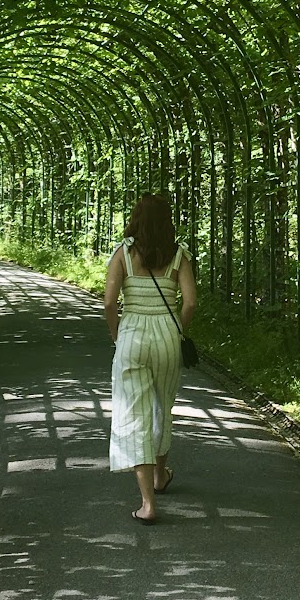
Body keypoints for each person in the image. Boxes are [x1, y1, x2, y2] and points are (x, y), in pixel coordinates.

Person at [104, 193, 197, 523]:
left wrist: (118, 335)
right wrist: (176, 330)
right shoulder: (179, 255)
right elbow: (189, 303)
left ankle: (147, 504)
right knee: (162, 407)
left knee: (134, 415)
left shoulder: (124, 254)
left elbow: (109, 303)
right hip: (167, 337)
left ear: (136, 218)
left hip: (132, 337)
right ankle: (160, 476)